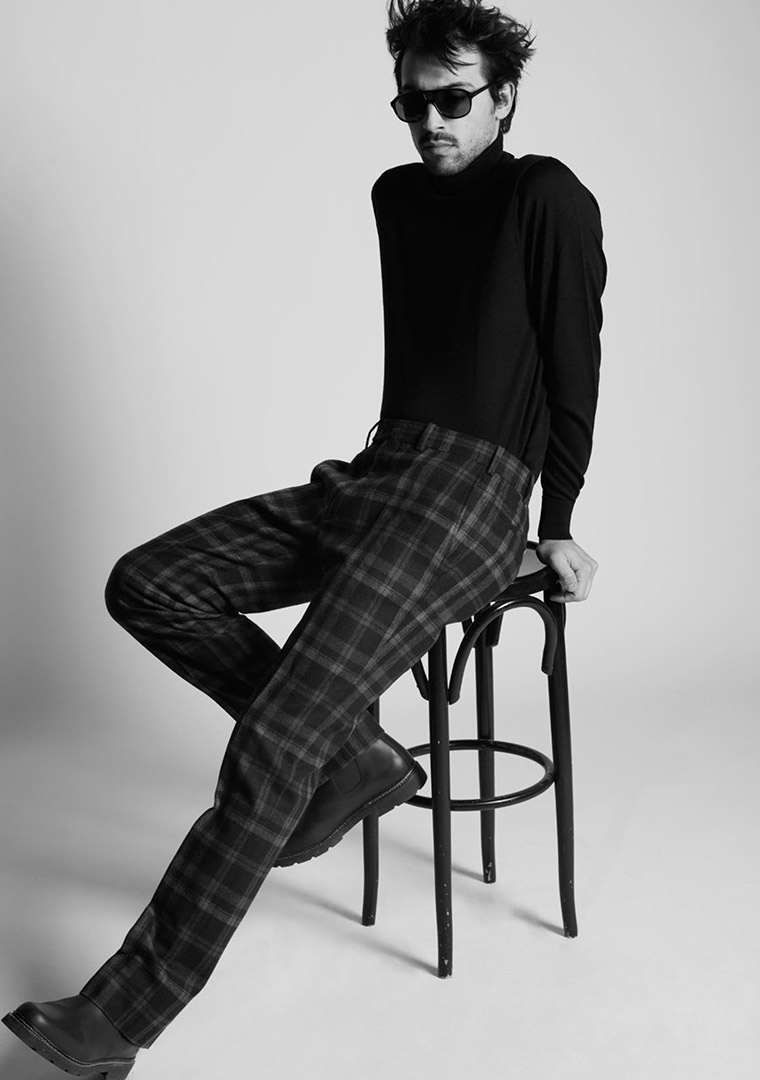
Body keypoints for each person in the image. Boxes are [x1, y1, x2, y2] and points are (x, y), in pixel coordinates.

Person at [2, 1, 606, 1075]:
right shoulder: (394, 198)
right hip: (381, 470)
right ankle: (353, 753)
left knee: (273, 739)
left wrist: (554, 524)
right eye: (411, 103)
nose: (430, 122)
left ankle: (117, 1021)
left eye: (454, 99)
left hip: (472, 497)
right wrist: (380, 464)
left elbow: (573, 364)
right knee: (150, 583)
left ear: (505, 97)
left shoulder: (545, 195)